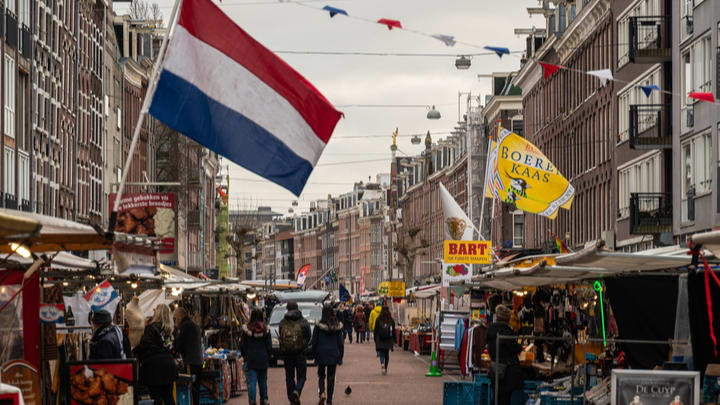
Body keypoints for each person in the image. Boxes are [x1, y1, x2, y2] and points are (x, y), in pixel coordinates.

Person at [133, 304, 178, 405]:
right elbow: (174, 347)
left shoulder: (151, 327)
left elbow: (144, 345)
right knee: (168, 396)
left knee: (156, 397)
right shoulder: (171, 330)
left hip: (154, 368)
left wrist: (134, 350)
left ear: (157, 313)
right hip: (170, 366)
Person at [486, 304, 523, 405]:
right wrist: (520, 347)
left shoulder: (490, 328)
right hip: (507, 371)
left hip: (494, 367)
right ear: (507, 319)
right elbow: (516, 348)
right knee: (505, 398)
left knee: (496, 396)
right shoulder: (507, 331)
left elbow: (488, 346)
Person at [279, 301, 312, 405]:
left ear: (287, 309)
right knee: (302, 376)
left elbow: (280, 333)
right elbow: (308, 334)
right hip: (300, 352)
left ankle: (292, 399)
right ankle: (297, 391)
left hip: (287, 353)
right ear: (297, 308)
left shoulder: (283, 321)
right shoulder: (303, 321)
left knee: (289, 377)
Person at [312, 304, 344, 405]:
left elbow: (314, 341)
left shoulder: (318, 326)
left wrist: (314, 354)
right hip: (333, 353)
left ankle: (322, 393)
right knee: (331, 377)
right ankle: (329, 400)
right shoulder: (337, 326)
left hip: (321, 353)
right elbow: (340, 343)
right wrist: (340, 356)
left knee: (321, 375)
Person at [241, 308, 272, 405]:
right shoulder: (265, 329)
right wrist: (269, 356)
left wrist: (244, 355)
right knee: (262, 382)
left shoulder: (247, 329)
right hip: (263, 358)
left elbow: (243, 345)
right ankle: (264, 400)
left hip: (251, 358)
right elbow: (269, 346)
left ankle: (253, 401)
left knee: (252, 382)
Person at [173, 307, 204, 405]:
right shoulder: (194, 325)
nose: (175, 321)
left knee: (190, 388)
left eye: (176, 318)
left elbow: (178, 345)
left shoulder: (184, 326)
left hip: (191, 361)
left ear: (181, 316)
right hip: (199, 361)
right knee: (196, 388)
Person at [373, 306, 395, 375]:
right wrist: (394, 340)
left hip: (380, 338)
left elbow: (375, 330)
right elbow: (393, 331)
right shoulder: (391, 320)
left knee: (381, 352)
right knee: (387, 354)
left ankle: (382, 363)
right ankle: (385, 368)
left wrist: (375, 339)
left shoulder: (378, 319)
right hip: (388, 339)